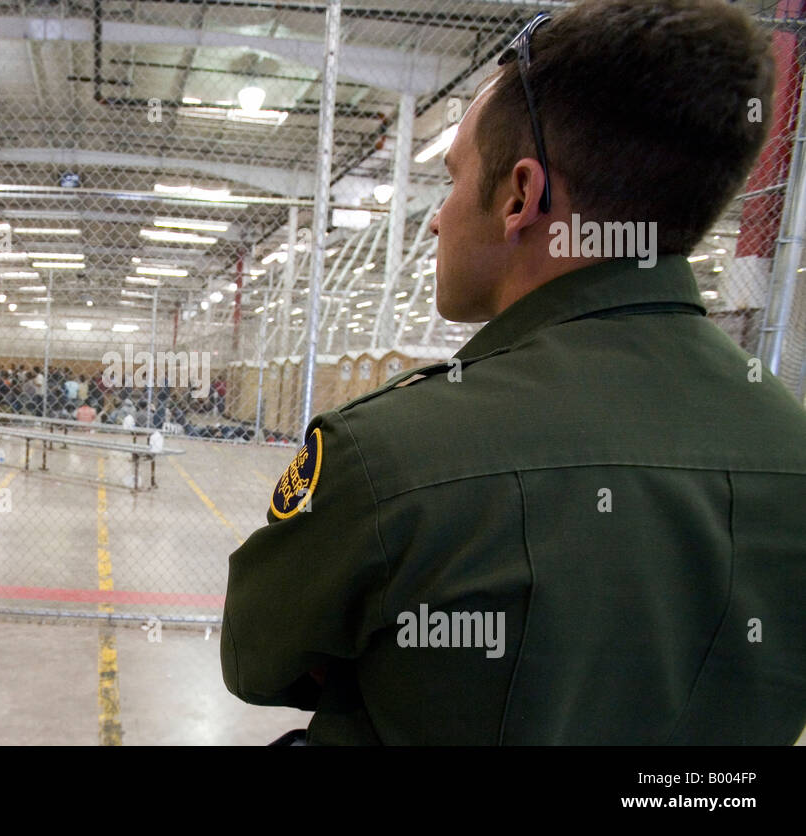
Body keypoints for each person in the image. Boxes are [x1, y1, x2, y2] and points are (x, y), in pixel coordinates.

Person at [222, 0, 806, 745]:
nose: (437, 219)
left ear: (520, 197)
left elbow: (257, 662)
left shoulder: (393, 458)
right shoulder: (791, 452)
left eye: (454, 178)